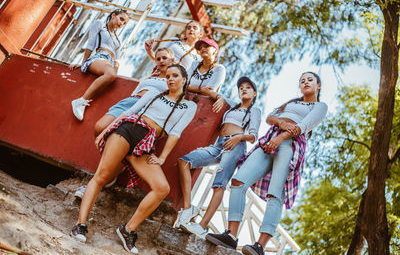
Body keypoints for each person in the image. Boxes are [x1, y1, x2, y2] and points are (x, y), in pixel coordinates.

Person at [70, 64, 197, 254]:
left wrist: (162, 158)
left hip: (145, 143)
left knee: (161, 188)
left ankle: (128, 229)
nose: (170, 79)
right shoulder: (153, 94)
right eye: (168, 76)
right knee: (102, 176)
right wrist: (105, 131)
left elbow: (175, 133)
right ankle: (80, 224)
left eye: (175, 76)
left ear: (184, 79)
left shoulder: (189, 106)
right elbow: (128, 113)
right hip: (128, 129)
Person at [205, 72, 328, 255]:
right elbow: (270, 117)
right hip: (269, 139)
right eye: (302, 80)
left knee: (275, 194)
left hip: (290, 144)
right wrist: (280, 123)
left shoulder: (320, 106)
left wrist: (281, 137)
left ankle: (260, 246)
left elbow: (303, 126)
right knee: (239, 181)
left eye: (310, 80)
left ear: (318, 85)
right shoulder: (291, 103)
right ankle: (231, 235)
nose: (305, 82)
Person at [73, 47, 175, 199]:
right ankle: (111, 169)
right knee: (100, 127)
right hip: (129, 102)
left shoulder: (174, 79)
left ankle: (98, 181)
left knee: (125, 146)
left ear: (172, 60)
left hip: (146, 108)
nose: (161, 61)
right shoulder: (153, 74)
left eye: (164, 58)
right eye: (158, 58)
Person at [175, 77, 261, 239]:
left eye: (248, 87)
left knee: (219, 184)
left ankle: (202, 226)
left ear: (254, 93)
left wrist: (239, 137)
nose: (243, 89)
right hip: (218, 145)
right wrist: (220, 97)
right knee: (184, 161)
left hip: (235, 145)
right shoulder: (232, 106)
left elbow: (253, 136)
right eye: (241, 87)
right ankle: (188, 208)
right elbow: (212, 93)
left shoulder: (254, 111)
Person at [70, 9, 129, 121]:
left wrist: (114, 76)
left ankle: (82, 101)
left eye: (124, 23)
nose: (121, 23)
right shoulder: (100, 24)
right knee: (111, 74)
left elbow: (117, 61)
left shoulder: (117, 40)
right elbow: (91, 43)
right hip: (99, 58)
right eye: (121, 19)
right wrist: (83, 63)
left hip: (109, 63)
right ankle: (81, 101)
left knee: (112, 75)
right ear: (113, 15)